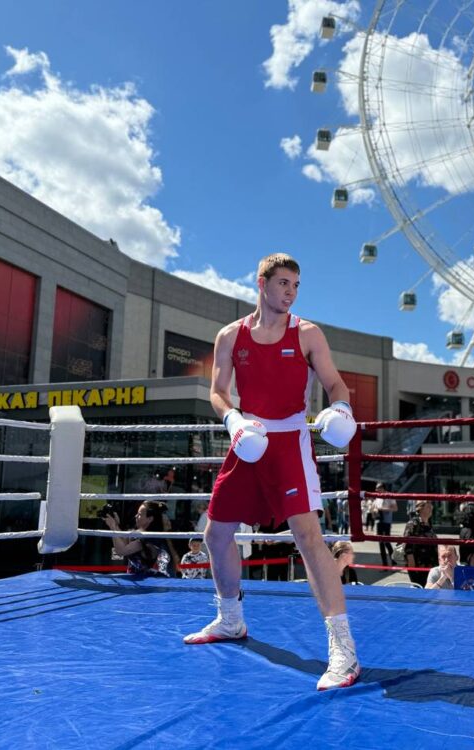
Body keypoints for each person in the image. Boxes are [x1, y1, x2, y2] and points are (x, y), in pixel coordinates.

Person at [182, 253, 361, 692]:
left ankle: (344, 650)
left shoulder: (307, 333)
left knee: (308, 536)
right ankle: (231, 620)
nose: (291, 292)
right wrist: (234, 421)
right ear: (261, 283)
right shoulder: (230, 335)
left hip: (290, 442)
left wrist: (339, 407)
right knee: (216, 533)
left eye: (296, 285)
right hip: (249, 439)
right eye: (283, 283)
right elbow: (218, 392)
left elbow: (335, 383)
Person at [104, 501, 176, 577]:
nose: (136, 516)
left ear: (150, 519)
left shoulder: (151, 539)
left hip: (151, 584)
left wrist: (112, 526)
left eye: (140, 514)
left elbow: (121, 551)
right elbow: (123, 542)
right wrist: (116, 525)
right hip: (139, 582)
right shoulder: (138, 533)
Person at [403, 500, 438, 587]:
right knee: (420, 588)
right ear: (420, 509)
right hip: (418, 564)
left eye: (431, 506)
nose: (431, 509)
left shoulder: (429, 523)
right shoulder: (413, 523)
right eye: (428, 507)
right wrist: (412, 566)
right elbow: (407, 546)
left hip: (431, 563)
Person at [374, 485, 396, 566]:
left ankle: (393, 560)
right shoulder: (377, 497)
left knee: (387, 542)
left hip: (387, 521)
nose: (376, 490)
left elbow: (395, 508)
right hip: (379, 521)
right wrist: (375, 510)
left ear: (383, 488)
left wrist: (384, 509)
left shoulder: (389, 496)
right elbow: (375, 507)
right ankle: (384, 564)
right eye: (376, 489)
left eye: (378, 488)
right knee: (380, 542)